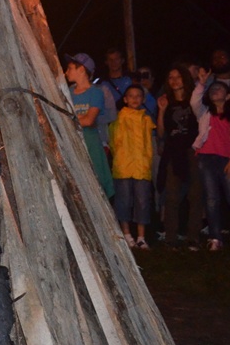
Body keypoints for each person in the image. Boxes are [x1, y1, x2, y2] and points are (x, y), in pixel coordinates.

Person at [192, 73, 230, 250]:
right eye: (213, 89)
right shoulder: (204, 114)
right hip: (206, 158)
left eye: (220, 89)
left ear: (229, 96)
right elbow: (194, 101)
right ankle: (215, 238)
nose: (216, 91)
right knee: (211, 199)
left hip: (226, 160)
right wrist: (201, 84)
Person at [156, 67, 202, 249]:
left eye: (178, 77)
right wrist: (161, 110)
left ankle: (193, 236)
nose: (174, 80)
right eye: (170, 77)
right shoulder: (166, 101)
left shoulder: (195, 100)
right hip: (173, 152)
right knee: (172, 196)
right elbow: (161, 132)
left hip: (193, 150)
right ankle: (171, 237)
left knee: (195, 194)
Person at [109, 85, 156, 249]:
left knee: (142, 202)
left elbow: (149, 144)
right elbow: (113, 142)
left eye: (138, 96)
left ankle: (141, 236)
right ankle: (127, 234)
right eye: (131, 96)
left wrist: (147, 161)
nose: (135, 99)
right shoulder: (118, 118)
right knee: (124, 201)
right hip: (123, 167)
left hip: (141, 167)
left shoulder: (146, 120)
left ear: (143, 99)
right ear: (125, 99)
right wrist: (120, 159)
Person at [64, 54, 114, 199]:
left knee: (96, 185)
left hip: (91, 143)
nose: (66, 72)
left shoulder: (96, 91)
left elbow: (89, 120)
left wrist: (70, 118)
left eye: (70, 68)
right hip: (73, 143)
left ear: (82, 70)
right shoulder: (67, 93)